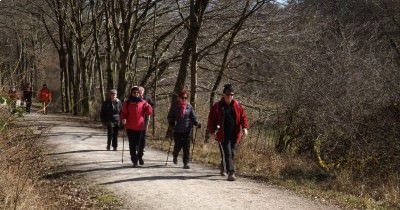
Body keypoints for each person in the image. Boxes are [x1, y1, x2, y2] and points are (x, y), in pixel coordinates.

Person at [207, 84, 248, 181]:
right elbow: (211, 120)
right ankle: (231, 173)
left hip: (234, 134)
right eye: (228, 95)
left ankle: (223, 166)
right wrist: (212, 132)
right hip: (222, 134)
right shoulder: (217, 106)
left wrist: (245, 127)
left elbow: (243, 117)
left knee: (231, 153)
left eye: (232, 95)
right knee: (228, 153)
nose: (230, 97)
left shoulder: (237, 105)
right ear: (224, 95)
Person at [167, 89, 201, 169]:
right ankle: (175, 155)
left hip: (187, 130)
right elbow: (170, 116)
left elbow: (193, 117)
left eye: (186, 98)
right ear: (179, 97)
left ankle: (186, 163)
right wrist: (171, 123)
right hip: (177, 130)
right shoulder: (174, 106)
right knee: (178, 146)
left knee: (186, 147)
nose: (184, 99)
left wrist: (197, 123)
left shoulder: (189, 106)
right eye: (182, 97)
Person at [121, 86, 153, 167]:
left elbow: (149, 112)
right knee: (132, 144)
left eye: (137, 93)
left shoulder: (143, 102)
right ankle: (134, 160)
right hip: (130, 127)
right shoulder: (127, 103)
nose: (136, 94)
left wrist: (148, 106)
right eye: (134, 93)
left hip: (140, 127)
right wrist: (123, 119)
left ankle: (140, 156)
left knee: (140, 145)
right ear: (131, 93)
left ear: (139, 94)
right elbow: (123, 113)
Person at [138, 86, 155, 151]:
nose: (140, 92)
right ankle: (137, 145)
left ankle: (142, 146)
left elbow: (153, 105)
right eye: (139, 91)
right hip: (138, 117)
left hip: (146, 117)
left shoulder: (147, 98)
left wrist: (148, 106)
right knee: (138, 132)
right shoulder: (135, 98)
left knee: (144, 132)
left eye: (141, 91)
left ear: (143, 91)